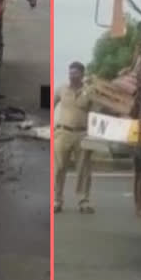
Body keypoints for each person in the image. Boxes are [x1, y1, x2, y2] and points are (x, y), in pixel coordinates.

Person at [53, 61, 94, 214]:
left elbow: (95, 112)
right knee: (58, 169)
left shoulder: (89, 91)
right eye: (70, 73)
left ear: (82, 75)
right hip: (62, 133)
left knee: (83, 170)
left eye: (75, 73)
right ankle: (57, 201)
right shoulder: (61, 89)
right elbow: (49, 103)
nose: (71, 76)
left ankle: (83, 202)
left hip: (82, 134)